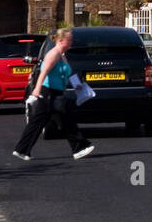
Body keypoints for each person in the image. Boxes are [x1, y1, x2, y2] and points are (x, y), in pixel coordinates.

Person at [13, 28, 95, 161]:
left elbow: (70, 74)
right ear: (61, 40)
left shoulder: (62, 55)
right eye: (69, 40)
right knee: (60, 120)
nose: (71, 42)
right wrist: (37, 90)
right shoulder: (53, 54)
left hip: (56, 92)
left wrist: (80, 89)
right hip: (49, 92)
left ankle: (22, 149)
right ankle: (79, 147)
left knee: (43, 122)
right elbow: (43, 72)